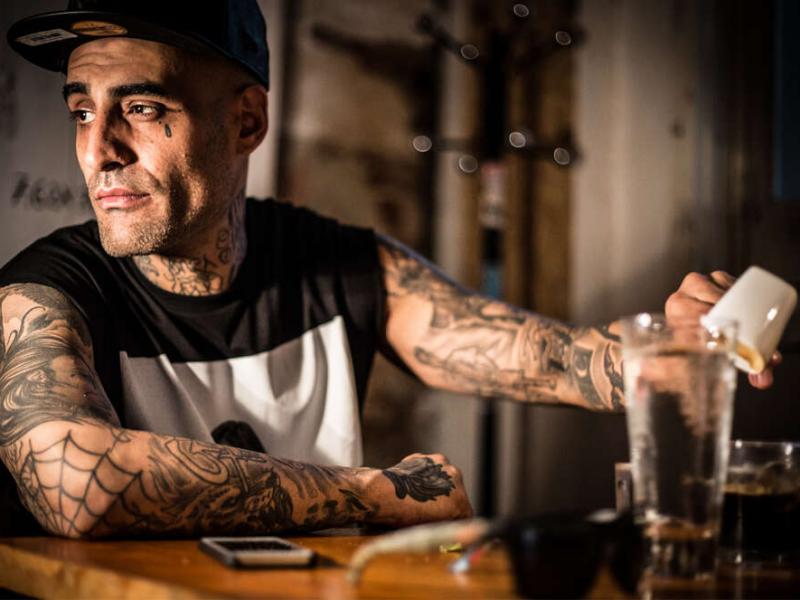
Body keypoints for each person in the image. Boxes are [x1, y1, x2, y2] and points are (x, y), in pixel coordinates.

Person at [0, 1, 775, 539]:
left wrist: (674, 346)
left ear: (246, 120)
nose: (97, 150)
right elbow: (75, 481)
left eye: (141, 108)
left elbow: (554, 360)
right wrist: (374, 493)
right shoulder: (45, 291)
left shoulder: (338, 263)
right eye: (81, 110)